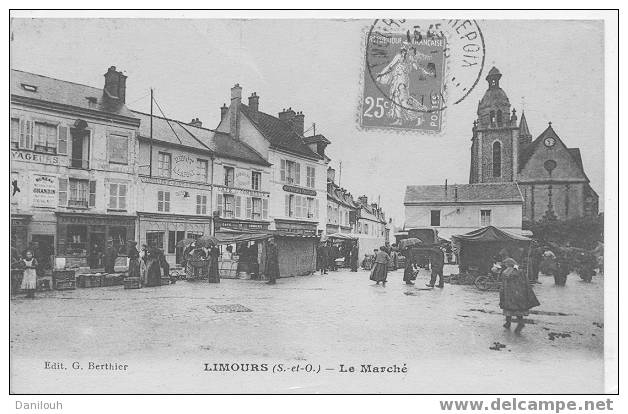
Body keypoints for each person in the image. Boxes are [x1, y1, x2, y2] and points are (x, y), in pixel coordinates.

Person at [500, 257, 540, 333]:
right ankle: (516, 323)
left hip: (509, 293)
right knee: (517, 308)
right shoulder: (520, 271)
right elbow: (525, 282)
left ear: (508, 264)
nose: (505, 265)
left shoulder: (506, 272)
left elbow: (504, 282)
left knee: (509, 308)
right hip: (517, 293)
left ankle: (510, 323)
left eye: (505, 264)